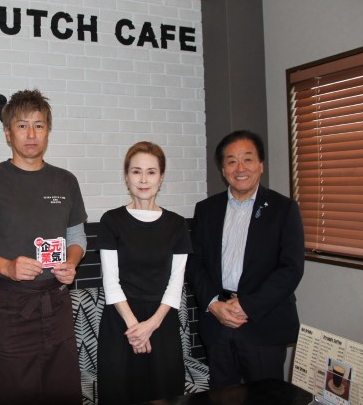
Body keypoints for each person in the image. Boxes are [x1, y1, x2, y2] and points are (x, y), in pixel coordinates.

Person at [0, 89, 87, 405]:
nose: (31, 134)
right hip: (8, 308)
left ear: (48, 131)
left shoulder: (66, 181)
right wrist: (6, 266)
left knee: (62, 391)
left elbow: (76, 236)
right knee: (9, 392)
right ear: (7, 132)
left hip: (56, 304)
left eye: (39, 125)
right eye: (22, 125)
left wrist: (71, 262)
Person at [187, 130, 305, 389]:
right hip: (217, 322)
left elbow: (291, 268)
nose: (240, 168)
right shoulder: (206, 209)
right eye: (231, 161)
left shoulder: (283, 209)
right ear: (223, 170)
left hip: (263, 323)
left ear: (261, 165)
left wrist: (247, 306)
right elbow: (195, 262)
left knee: (266, 396)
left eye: (248, 159)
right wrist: (214, 304)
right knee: (222, 396)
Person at [97, 142, 192, 404]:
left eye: (151, 172)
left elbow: (176, 283)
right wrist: (135, 329)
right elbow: (110, 281)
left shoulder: (176, 224)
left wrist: (150, 325)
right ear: (126, 177)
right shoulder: (111, 220)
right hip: (121, 323)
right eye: (136, 171)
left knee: (164, 394)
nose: (143, 179)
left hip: (162, 322)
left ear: (161, 178)